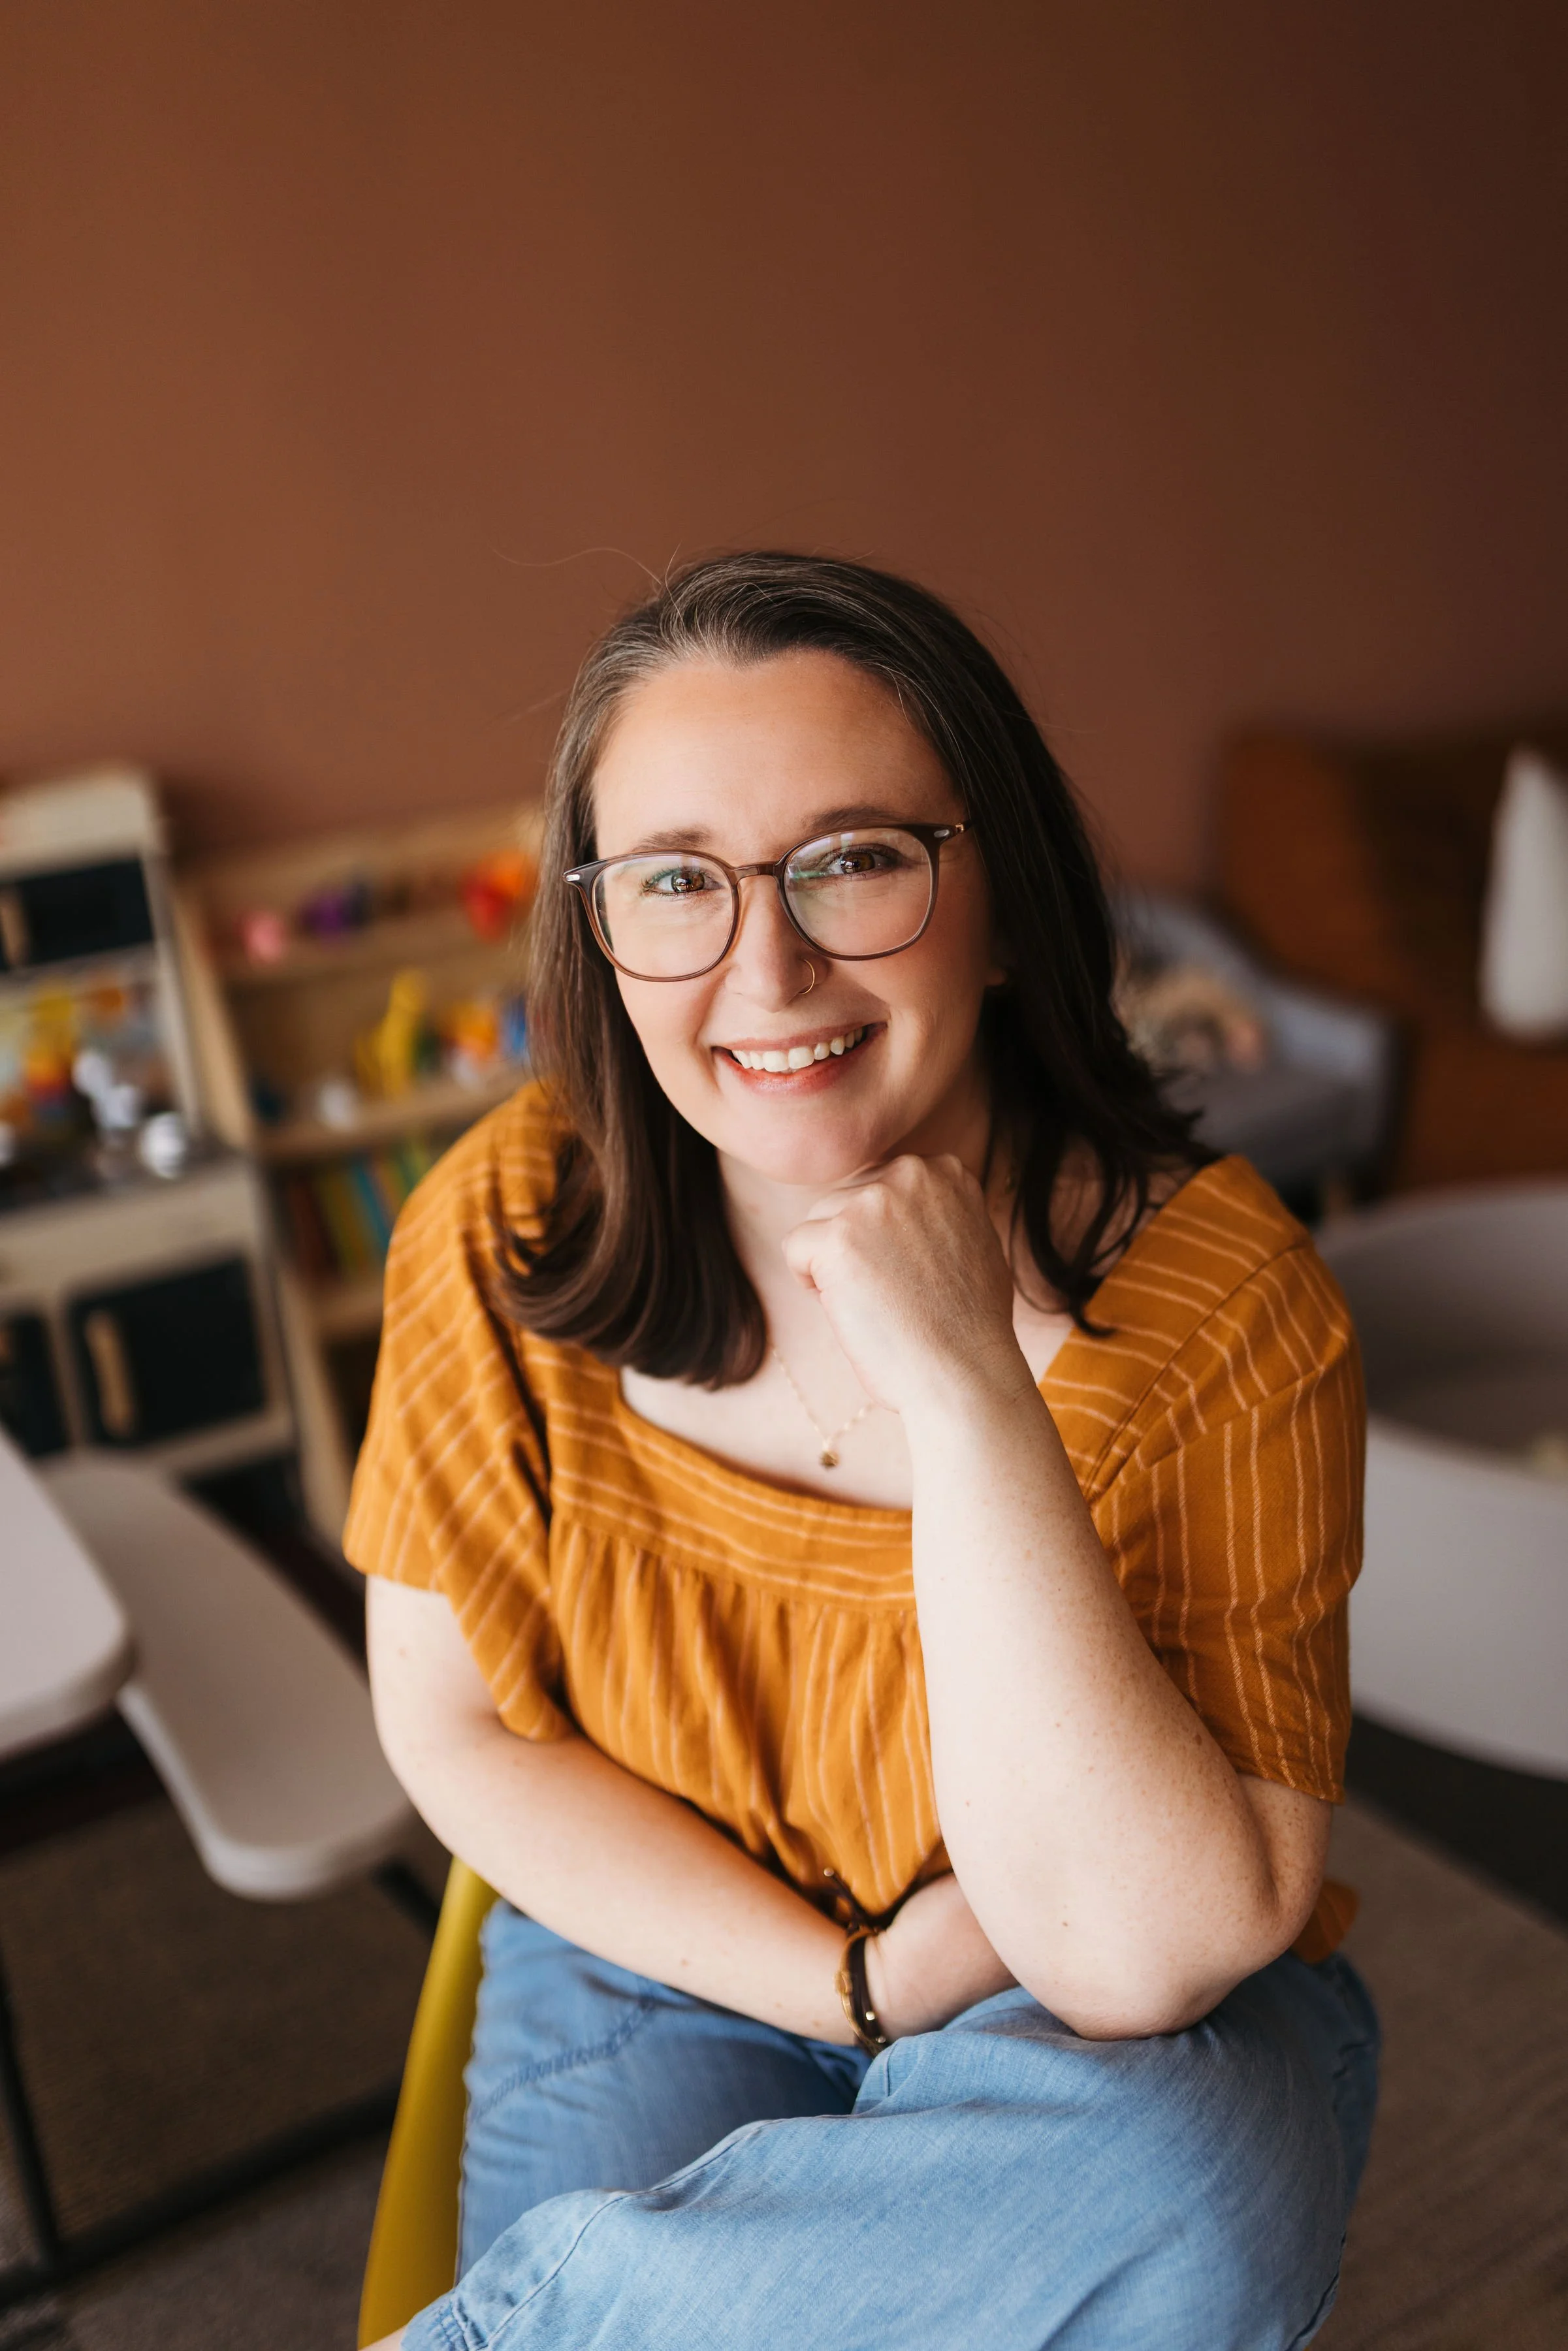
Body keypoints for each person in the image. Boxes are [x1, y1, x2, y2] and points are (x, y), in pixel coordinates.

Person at [351, 552, 1379, 2351]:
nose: (768, 971)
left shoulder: (1229, 1312)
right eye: (677, 880)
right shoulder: (500, 1224)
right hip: (662, 1950)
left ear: (1004, 899)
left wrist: (971, 1389)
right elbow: (452, 1727)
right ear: (600, 929)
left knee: (1197, 2184)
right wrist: (854, 1984)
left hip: (1080, 2011)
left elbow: (1140, 1960)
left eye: (852, 861)